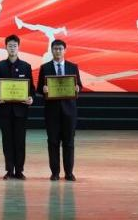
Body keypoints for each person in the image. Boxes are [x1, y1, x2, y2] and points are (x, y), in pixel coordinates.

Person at [36, 39, 82, 181]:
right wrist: (43, 89)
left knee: (69, 142)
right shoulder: (45, 67)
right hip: (52, 112)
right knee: (53, 142)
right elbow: (39, 88)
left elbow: (79, 85)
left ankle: (69, 173)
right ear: (51, 50)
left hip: (69, 112)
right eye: (55, 49)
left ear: (65, 50)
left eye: (60, 49)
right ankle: (55, 173)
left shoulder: (73, 67)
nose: (58, 51)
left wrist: (77, 88)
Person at [0, 34, 35, 180]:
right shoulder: (0, 66)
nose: (12, 48)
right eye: (10, 46)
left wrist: (31, 98)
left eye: (15, 46)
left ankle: (19, 170)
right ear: (6, 47)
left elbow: (31, 89)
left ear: (18, 47)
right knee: (7, 141)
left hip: (21, 111)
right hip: (5, 110)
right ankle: (9, 170)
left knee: (20, 141)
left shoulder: (26, 66)